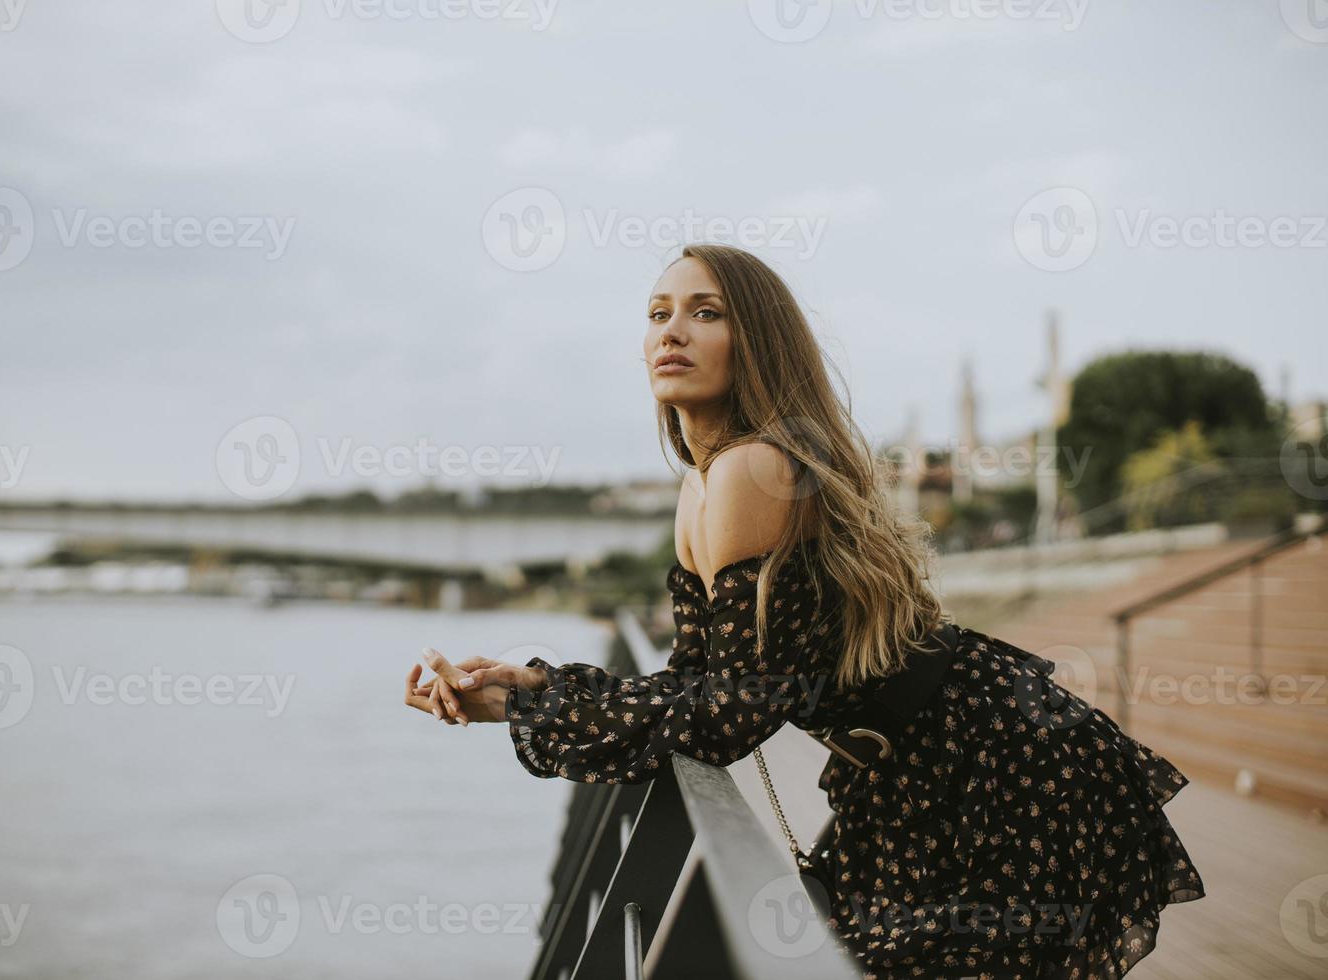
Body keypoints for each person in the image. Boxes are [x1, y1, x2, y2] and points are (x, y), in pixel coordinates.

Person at [402, 243, 1206, 978]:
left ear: (756, 341)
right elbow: (698, 678)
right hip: (910, 776)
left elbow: (732, 712)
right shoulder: (702, 487)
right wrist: (527, 694)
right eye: (657, 315)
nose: (671, 331)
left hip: (993, 761)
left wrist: (542, 709)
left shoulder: (754, 470)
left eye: (705, 312)